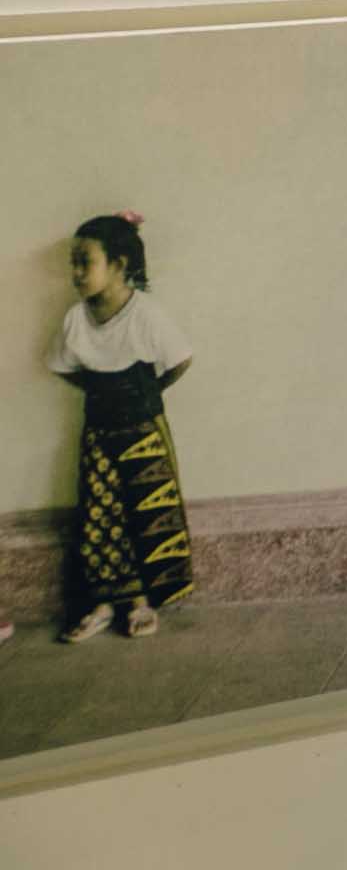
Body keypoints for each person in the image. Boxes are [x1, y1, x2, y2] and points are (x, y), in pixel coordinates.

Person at [49, 213, 197, 645]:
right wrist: (102, 392)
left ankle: (141, 603)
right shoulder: (75, 319)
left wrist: (147, 393)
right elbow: (61, 366)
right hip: (98, 432)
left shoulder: (146, 313)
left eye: (85, 262)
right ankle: (103, 604)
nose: (76, 272)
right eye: (73, 263)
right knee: (100, 514)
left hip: (143, 432)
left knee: (146, 513)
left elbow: (181, 360)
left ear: (119, 265)